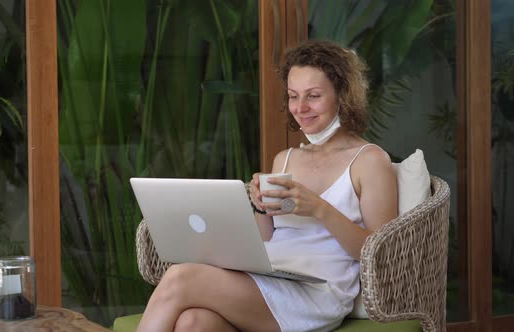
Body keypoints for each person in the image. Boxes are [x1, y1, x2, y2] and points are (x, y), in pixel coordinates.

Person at [136, 40, 398, 332]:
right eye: (293, 96)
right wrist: (258, 205)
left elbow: (381, 254)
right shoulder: (285, 159)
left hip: (317, 292)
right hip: (270, 276)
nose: (301, 108)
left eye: (313, 96)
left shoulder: (370, 160)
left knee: (179, 277)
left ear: (342, 95)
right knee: (193, 323)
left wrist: (320, 209)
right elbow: (267, 237)